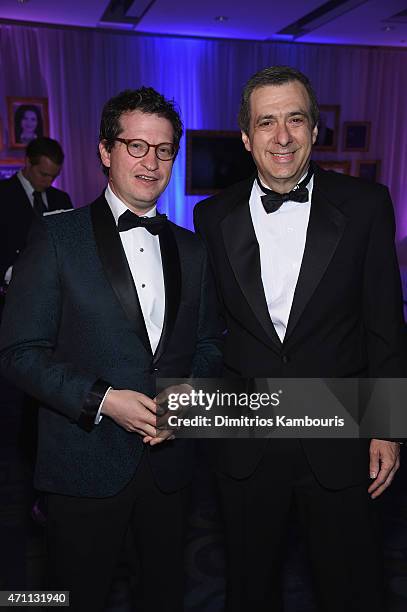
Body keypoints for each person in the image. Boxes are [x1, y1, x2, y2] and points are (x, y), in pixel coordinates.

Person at [0, 87, 223, 612]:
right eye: (136, 146)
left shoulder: (194, 250)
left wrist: (188, 397)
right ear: (105, 151)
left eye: (164, 149)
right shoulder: (57, 238)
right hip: (82, 464)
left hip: (170, 470)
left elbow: (211, 345)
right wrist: (104, 400)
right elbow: (19, 352)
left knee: (164, 595)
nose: (151, 162)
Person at [194, 65, 406, 612]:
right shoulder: (211, 216)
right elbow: (208, 330)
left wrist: (387, 429)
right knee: (249, 587)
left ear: (314, 130)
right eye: (267, 122)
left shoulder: (366, 205)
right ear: (246, 138)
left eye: (295, 119)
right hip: (247, 443)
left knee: (352, 588)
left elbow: (386, 325)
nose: (282, 136)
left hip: (340, 437)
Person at [0, 136, 73, 291]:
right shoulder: (3, 194)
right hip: (11, 294)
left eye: (54, 176)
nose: (49, 181)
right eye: (44, 174)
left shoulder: (61, 199)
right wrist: (9, 273)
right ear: (27, 162)